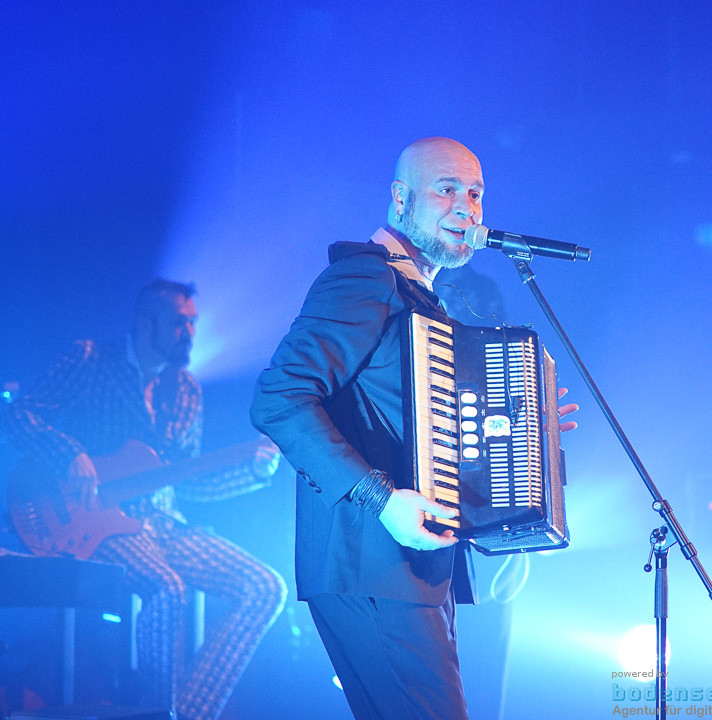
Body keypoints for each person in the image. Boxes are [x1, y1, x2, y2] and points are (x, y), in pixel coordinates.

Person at [249, 137, 577, 720]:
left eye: (475, 193)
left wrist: (529, 431)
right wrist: (380, 498)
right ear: (401, 200)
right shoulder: (362, 279)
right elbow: (280, 399)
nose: (466, 207)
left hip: (413, 562)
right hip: (370, 559)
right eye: (446, 189)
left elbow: (425, 429)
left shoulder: (419, 295)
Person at [0, 279, 288, 720]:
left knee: (265, 587)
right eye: (178, 323)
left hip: (163, 522)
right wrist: (70, 456)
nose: (190, 332)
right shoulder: (90, 358)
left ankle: (180, 716)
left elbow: (185, 484)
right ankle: (156, 711)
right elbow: (20, 414)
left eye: (192, 322)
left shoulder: (187, 389)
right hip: (92, 515)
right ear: (144, 323)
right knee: (167, 589)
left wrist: (251, 473)